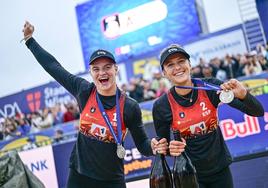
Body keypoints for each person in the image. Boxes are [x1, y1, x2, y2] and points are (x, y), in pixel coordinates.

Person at [22, 21, 166, 188]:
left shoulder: (130, 106)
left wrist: (153, 146)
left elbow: (142, 144)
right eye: (96, 69)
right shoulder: (84, 91)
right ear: (90, 72)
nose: (102, 73)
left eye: (107, 67)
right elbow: (54, 67)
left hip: (112, 180)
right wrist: (29, 40)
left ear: (116, 69)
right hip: (79, 176)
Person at [152, 44, 264, 188]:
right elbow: (164, 148)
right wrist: (170, 149)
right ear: (164, 73)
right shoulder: (162, 105)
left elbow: (258, 111)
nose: (177, 67)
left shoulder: (210, 87)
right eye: (170, 65)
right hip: (188, 176)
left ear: (190, 64)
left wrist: (244, 95)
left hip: (220, 170)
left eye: (181, 61)